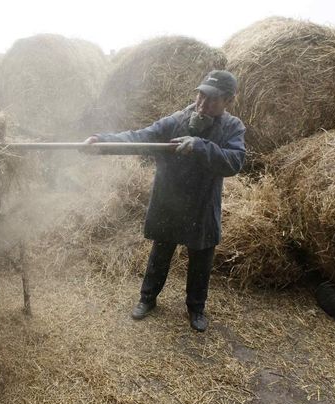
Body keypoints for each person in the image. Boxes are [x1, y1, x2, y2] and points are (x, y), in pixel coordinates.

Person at [83, 70, 245, 332]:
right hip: (170, 200)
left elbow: (235, 162)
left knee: (201, 258)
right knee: (160, 253)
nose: (202, 104)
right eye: (200, 95)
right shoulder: (176, 121)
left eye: (212, 99)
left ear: (228, 101)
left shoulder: (232, 127)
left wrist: (201, 146)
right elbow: (139, 137)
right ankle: (147, 299)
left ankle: (196, 309)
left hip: (202, 204)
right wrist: (103, 142)